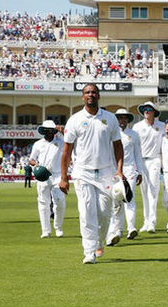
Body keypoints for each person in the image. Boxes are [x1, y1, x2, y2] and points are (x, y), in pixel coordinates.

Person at [59, 83, 124, 264]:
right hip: (83, 172)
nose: (91, 95)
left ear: (99, 95)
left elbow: (118, 146)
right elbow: (66, 151)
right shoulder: (75, 119)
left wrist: (119, 169)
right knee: (87, 212)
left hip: (106, 172)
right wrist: (64, 178)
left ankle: (99, 242)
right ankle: (89, 252)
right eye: (87, 92)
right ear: (83, 97)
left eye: (93, 92)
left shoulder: (110, 118)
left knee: (104, 213)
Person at [106, 109, 144, 246]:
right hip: (114, 171)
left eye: (125, 118)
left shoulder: (134, 134)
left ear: (128, 120)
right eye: (120, 118)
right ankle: (118, 230)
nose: (122, 120)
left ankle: (131, 228)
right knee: (117, 201)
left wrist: (140, 171)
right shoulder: (111, 133)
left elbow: (138, 154)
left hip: (130, 170)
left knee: (129, 198)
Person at [29, 120, 66, 238]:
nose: (50, 132)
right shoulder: (38, 144)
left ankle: (58, 227)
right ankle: (46, 230)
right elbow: (31, 159)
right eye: (48, 130)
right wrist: (36, 166)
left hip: (57, 175)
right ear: (44, 131)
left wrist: (63, 132)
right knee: (43, 203)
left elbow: (72, 143)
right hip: (43, 175)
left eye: (52, 130)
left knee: (59, 201)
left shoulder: (61, 142)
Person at [132, 101, 165, 234]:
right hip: (141, 161)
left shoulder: (161, 126)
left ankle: (152, 222)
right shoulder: (137, 126)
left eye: (149, 109)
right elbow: (134, 145)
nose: (146, 111)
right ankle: (146, 221)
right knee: (144, 192)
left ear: (154, 112)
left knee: (153, 190)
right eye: (144, 109)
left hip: (155, 159)